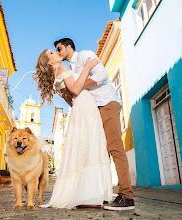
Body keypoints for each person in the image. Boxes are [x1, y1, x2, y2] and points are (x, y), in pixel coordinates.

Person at [54, 38, 135, 211]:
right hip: (94, 111)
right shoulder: (72, 69)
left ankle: (126, 196)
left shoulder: (84, 56)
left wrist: (79, 86)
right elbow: (79, 97)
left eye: (59, 48)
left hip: (107, 104)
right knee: (97, 152)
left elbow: (102, 75)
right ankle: (99, 195)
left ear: (69, 46)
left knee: (115, 147)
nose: (58, 52)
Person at [33, 49, 112, 209]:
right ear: (49, 62)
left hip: (80, 106)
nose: (56, 53)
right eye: (52, 53)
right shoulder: (62, 69)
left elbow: (69, 99)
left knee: (84, 147)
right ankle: (91, 196)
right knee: (91, 146)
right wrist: (87, 67)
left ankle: (87, 195)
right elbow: (76, 89)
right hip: (85, 105)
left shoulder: (56, 77)